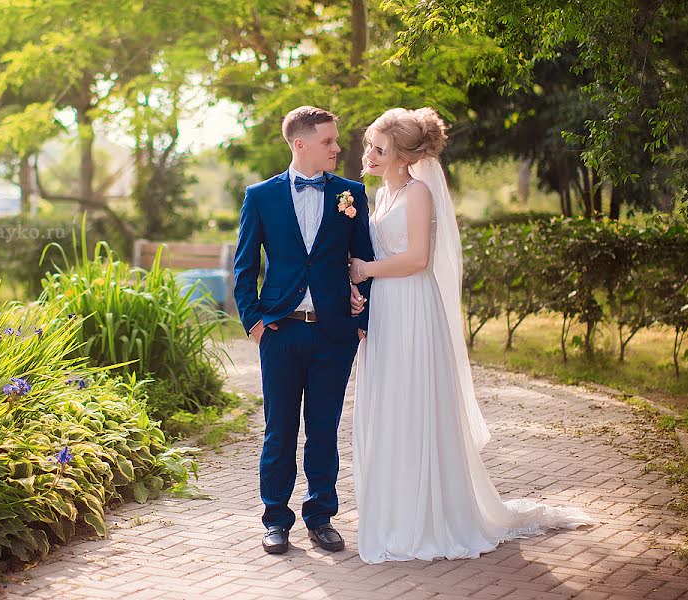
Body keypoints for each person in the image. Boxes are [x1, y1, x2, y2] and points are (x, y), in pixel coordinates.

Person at [349, 107, 594, 564]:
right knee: (390, 406)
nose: (369, 154)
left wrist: (364, 270)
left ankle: (429, 516)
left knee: (416, 405)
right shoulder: (379, 195)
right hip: (386, 311)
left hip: (414, 309)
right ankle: (396, 510)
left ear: (404, 157)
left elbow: (419, 258)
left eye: (379, 149)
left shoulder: (418, 193)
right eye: (369, 146)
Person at [233, 106, 374, 554]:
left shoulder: (351, 193)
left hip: (335, 335)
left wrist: (360, 322)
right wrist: (255, 323)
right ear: (301, 144)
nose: (337, 148)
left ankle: (320, 516)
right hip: (281, 332)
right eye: (329, 141)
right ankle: (275, 519)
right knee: (279, 430)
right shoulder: (260, 196)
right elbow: (244, 268)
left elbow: (363, 262)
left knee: (324, 430)